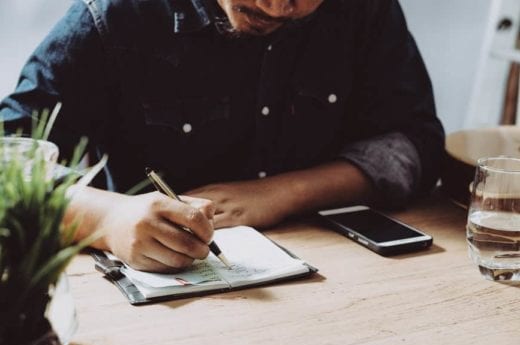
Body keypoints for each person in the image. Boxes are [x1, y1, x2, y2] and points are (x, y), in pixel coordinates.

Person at [0, 0, 445, 272]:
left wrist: (283, 193)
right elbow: (6, 163)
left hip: (341, 279)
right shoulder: (114, 15)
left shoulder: (364, 10)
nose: (276, 6)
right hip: (167, 295)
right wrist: (105, 220)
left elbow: (415, 140)